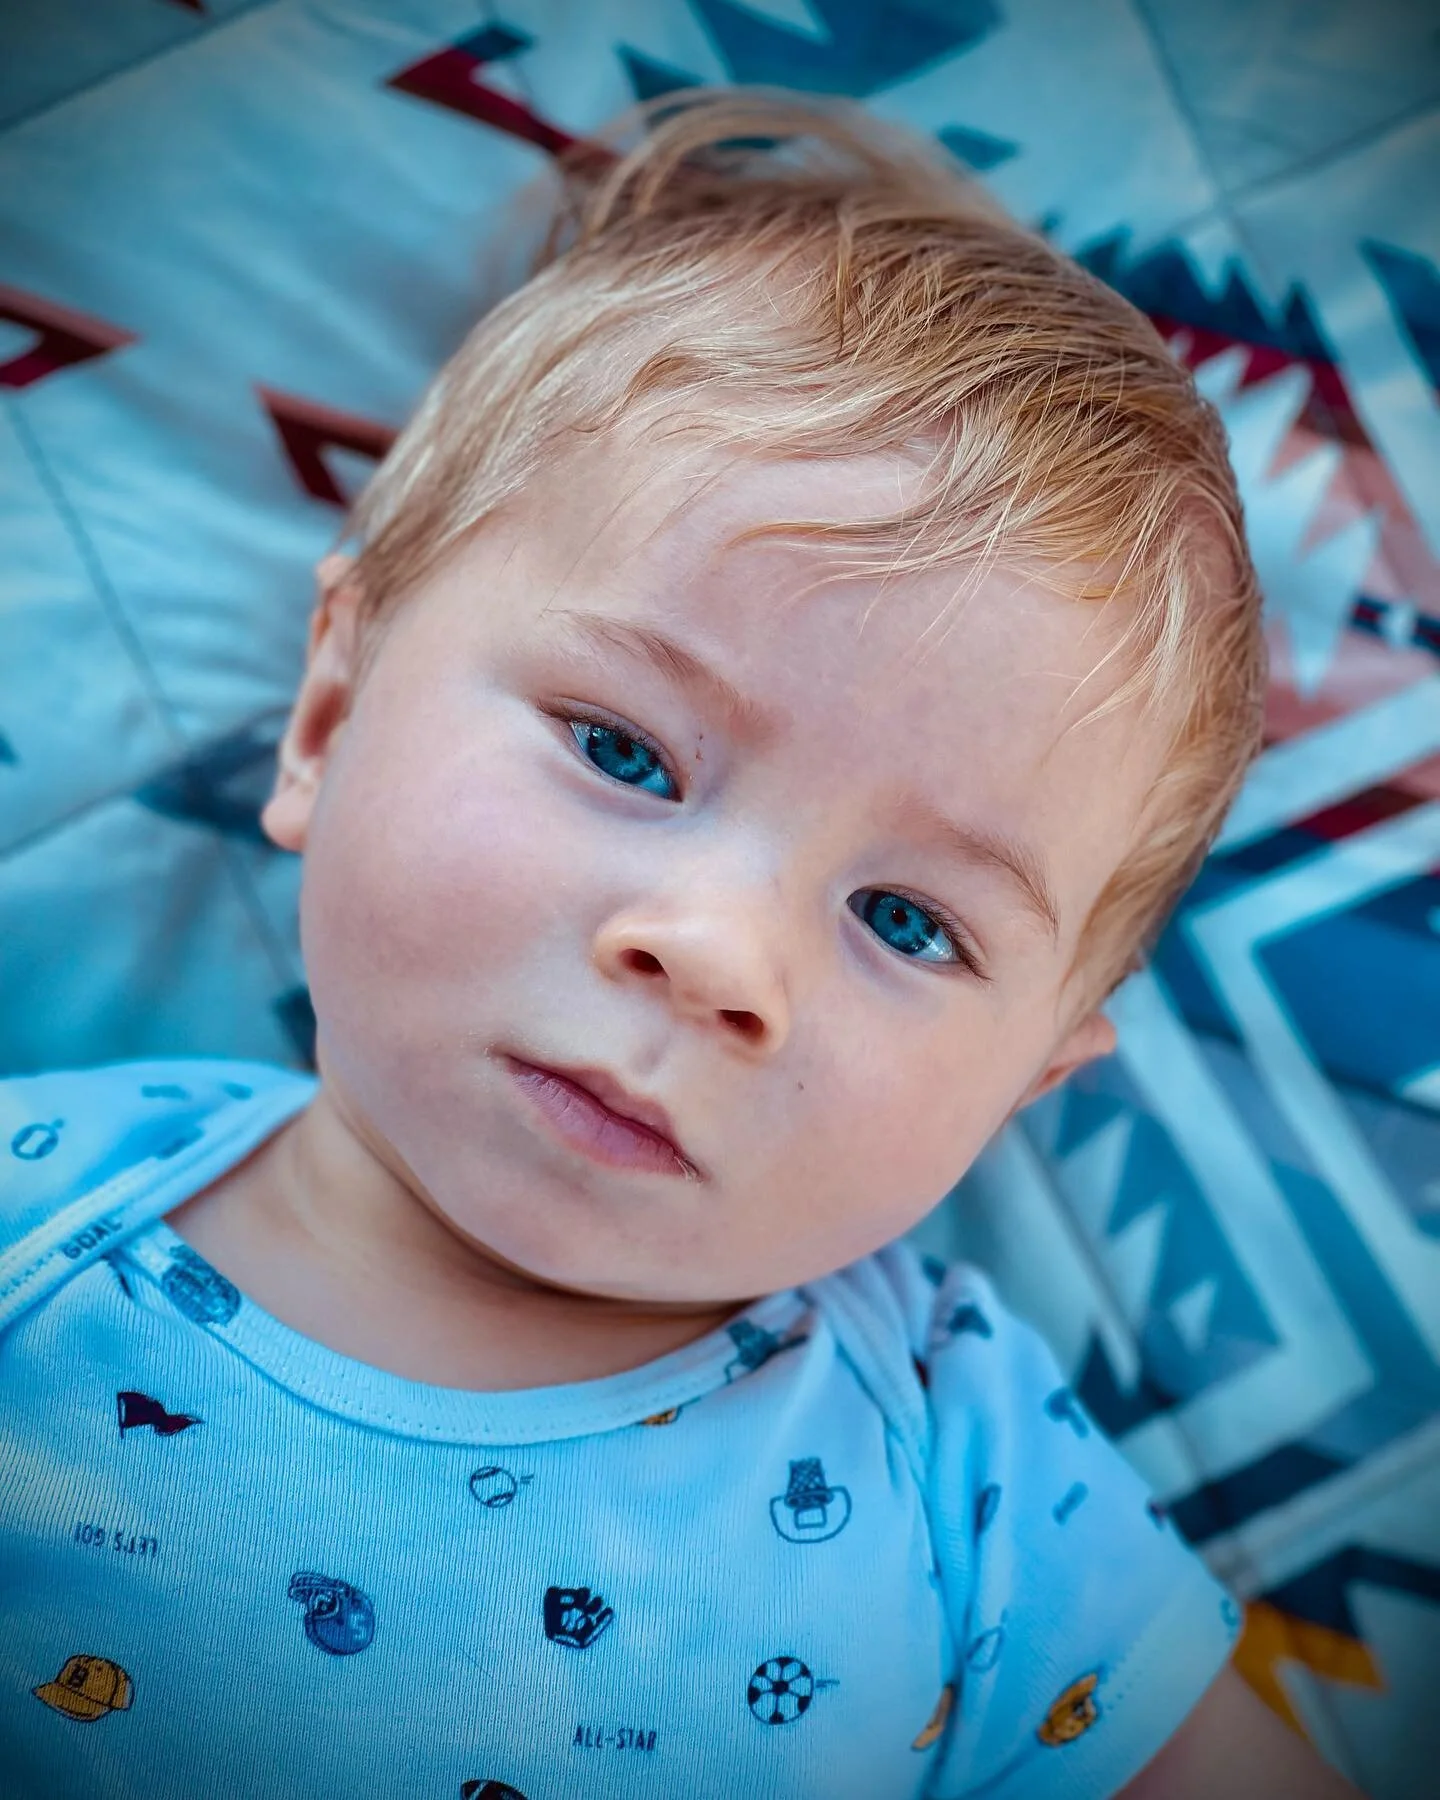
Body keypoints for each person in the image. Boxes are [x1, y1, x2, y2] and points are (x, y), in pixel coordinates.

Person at [0, 91, 1359, 1800]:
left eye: (910, 923)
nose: (723, 956)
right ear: (328, 713)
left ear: (1027, 1081)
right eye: (624, 751)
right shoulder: (33, 1214)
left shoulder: (979, 1477)